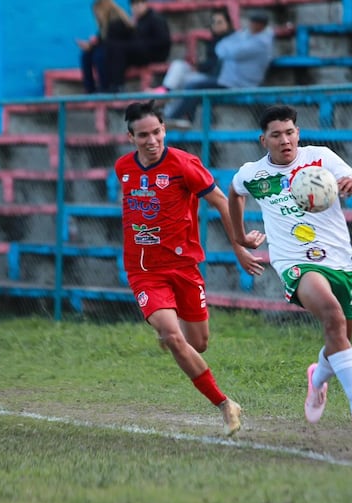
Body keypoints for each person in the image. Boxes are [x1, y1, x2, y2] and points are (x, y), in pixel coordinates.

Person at [113, 100, 265, 436]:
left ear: (164, 130)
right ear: (130, 137)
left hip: (183, 266)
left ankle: (172, 333)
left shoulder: (184, 165)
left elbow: (221, 202)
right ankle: (225, 404)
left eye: (156, 132)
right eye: (143, 135)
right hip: (144, 270)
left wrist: (239, 248)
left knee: (198, 343)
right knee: (172, 335)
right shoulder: (123, 167)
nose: (151, 140)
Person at [227, 104, 352, 432]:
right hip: (295, 262)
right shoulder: (254, 174)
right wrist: (239, 238)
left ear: (298, 133)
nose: (285, 140)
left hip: (339, 261)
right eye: (276, 135)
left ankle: (318, 375)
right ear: (263, 139)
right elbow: (235, 191)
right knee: (333, 316)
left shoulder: (321, 158)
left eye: (290, 132)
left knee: (340, 337)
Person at [164, 10, 274, 128]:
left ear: (262, 25)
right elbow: (225, 46)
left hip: (239, 83)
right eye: (252, 21)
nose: (252, 24)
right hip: (229, 79)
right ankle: (178, 115)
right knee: (188, 81)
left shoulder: (261, 42)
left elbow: (229, 51)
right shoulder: (248, 35)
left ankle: (176, 117)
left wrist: (229, 46)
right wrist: (229, 45)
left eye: (256, 22)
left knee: (193, 86)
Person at [148, 7, 234, 95]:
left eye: (219, 22)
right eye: (213, 22)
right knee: (178, 65)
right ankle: (165, 90)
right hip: (205, 74)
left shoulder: (231, 42)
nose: (215, 25)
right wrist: (197, 66)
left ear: (228, 24)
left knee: (182, 82)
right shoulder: (214, 40)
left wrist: (199, 67)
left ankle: (163, 95)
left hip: (215, 80)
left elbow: (218, 65)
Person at [104, 0, 171, 93]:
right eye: (133, 5)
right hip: (140, 52)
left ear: (145, 4)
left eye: (138, 4)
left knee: (119, 48)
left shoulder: (155, 19)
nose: (136, 7)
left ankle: (118, 86)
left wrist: (142, 44)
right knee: (113, 46)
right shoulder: (138, 20)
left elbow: (163, 41)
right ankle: (110, 85)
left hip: (154, 54)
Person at [78, 0, 134, 94]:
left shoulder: (118, 22)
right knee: (86, 55)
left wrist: (93, 45)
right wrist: (90, 45)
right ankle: (90, 89)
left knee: (99, 55)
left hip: (123, 55)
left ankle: (105, 86)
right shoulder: (105, 25)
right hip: (111, 52)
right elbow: (102, 40)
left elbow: (110, 43)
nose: (96, 16)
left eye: (97, 12)